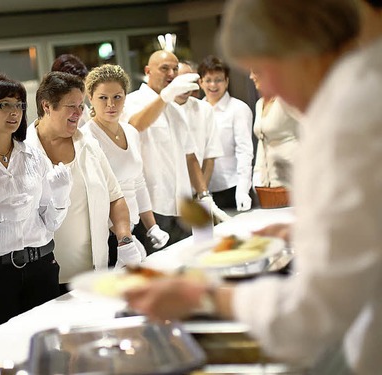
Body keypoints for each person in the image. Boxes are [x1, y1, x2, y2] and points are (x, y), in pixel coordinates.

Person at [125, 0, 382, 373]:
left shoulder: (351, 116)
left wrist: (203, 296)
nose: (267, 86)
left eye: (262, 69)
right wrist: (313, 228)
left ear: (301, 49)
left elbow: (311, 316)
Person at [0, 73, 70, 332]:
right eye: (4, 104)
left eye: (18, 105)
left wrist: (61, 198)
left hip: (40, 265)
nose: (14, 112)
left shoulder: (33, 156)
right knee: (0, 348)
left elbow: (50, 222)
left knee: (48, 344)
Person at [26, 71, 144, 293]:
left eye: (81, 106)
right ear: (47, 106)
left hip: (94, 272)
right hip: (45, 275)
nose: (79, 113)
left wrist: (125, 239)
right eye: (71, 106)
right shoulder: (23, 152)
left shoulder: (88, 144)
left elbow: (115, 197)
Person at [122, 50, 222, 250]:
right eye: (164, 68)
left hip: (183, 204)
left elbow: (190, 156)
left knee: (188, 260)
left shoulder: (176, 109)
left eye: (175, 69)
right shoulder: (132, 101)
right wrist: (165, 97)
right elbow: (136, 125)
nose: (171, 73)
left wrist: (204, 195)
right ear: (148, 71)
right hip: (152, 206)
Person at [80, 64, 170, 266]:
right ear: (90, 98)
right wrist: (124, 238)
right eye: (103, 97)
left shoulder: (131, 132)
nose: (111, 104)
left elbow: (138, 183)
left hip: (133, 228)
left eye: (117, 97)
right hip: (107, 235)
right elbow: (93, 197)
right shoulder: (86, 138)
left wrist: (151, 227)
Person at [198, 55, 254, 212]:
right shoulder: (197, 109)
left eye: (219, 80)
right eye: (208, 80)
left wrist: (243, 189)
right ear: (201, 82)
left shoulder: (238, 109)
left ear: (227, 81)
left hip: (232, 186)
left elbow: (245, 151)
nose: (213, 85)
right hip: (203, 188)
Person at [249, 69, 299, 208]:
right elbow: (262, 140)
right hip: (269, 180)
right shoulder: (259, 104)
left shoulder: (287, 100)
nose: (251, 76)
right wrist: (257, 172)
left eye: (255, 71)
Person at [174, 62, 224, 198]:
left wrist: (200, 192)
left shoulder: (204, 109)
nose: (186, 86)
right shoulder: (161, 109)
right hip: (168, 193)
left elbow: (210, 155)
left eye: (190, 80)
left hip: (196, 190)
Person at [50, 54, 91, 127]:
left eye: (82, 87)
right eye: (73, 89)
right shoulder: (47, 124)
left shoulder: (92, 119)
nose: (79, 94)